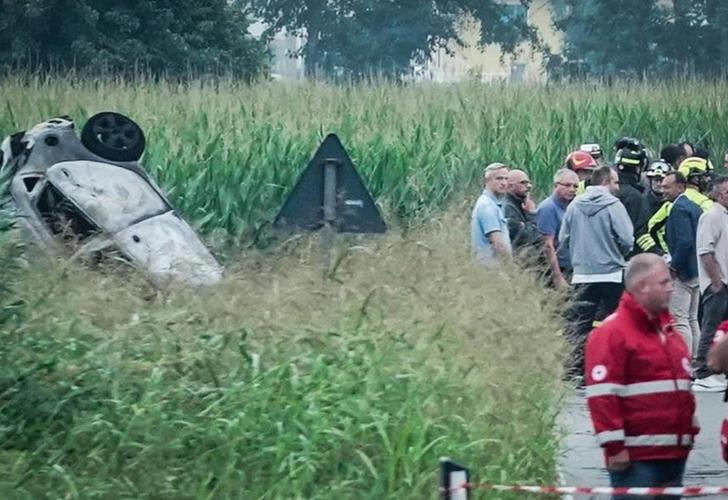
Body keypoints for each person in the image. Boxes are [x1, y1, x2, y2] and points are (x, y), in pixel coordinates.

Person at [585, 254, 699, 500]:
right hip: (638, 458)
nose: (671, 288)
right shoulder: (613, 333)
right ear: (642, 286)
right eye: (664, 282)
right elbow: (602, 395)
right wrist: (615, 448)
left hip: (673, 453)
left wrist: (690, 426)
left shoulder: (668, 331)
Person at [559, 166, 634, 377]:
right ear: (606, 182)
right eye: (616, 182)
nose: (618, 187)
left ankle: (576, 370)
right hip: (611, 273)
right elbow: (627, 238)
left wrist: (575, 261)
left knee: (580, 324)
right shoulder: (614, 205)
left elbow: (563, 239)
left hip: (582, 274)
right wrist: (618, 253)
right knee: (617, 322)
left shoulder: (574, 205)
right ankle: (615, 367)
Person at [693, 176, 728, 391]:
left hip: (725, 281)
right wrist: (716, 282)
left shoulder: (724, 216)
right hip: (718, 282)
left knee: (722, 328)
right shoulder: (712, 216)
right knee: (710, 326)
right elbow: (705, 250)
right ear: (716, 194)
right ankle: (703, 372)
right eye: (726, 192)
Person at [663, 171, 702, 357]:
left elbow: (685, 242)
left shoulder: (678, 209)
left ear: (680, 187)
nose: (663, 191)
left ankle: (683, 361)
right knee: (692, 318)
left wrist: (674, 267)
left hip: (684, 272)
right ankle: (696, 359)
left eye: (666, 187)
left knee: (679, 318)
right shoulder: (695, 207)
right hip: (698, 270)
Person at [536, 169, 579, 289]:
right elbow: (547, 245)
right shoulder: (548, 208)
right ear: (555, 186)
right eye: (567, 185)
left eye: (575, 186)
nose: (571, 189)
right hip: (558, 269)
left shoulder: (570, 207)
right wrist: (557, 277)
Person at [471, 163, 512, 265]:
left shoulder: (494, 204)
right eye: (499, 179)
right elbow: (498, 244)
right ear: (487, 181)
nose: (504, 183)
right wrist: (511, 266)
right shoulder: (487, 206)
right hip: (491, 268)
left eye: (506, 179)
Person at [614, 145, 651, 252]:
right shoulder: (636, 197)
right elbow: (640, 233)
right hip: (630, 258)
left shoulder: (607, 192)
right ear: (639, 168)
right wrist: (658, 254)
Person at [636, 160, 673, 255]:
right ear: (650, 181)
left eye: (662, 180)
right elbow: (640, 232)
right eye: (656, 180)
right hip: (649, 254)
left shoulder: (673, 203)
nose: (659, 184)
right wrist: (656, 252)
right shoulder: (642, 202)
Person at [503, 169, 540, 259]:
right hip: (518, 261)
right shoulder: (508, 207)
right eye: (523, 183)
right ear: (510, 186)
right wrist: (532, 215)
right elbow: (528, 237)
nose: (529, 186)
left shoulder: (520, 204)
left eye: (528, 183)